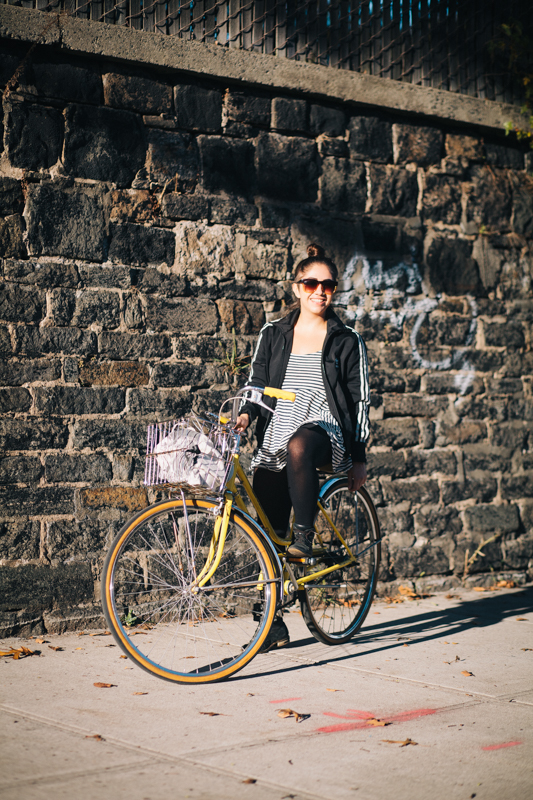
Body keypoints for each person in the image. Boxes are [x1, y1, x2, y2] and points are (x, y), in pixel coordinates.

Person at [235, 243, 370, 650]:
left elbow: (359, 400)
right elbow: (256, 384)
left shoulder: (347, 340)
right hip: (275, 435)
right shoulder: (273, 333)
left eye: (328, 285)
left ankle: (306, 538)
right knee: (268, 532)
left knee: (300, 446)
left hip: (325, 434)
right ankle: (272, 622)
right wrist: (245, 414)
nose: (320, 291)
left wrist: (360, 456)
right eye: (311, 282)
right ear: (297, 287)